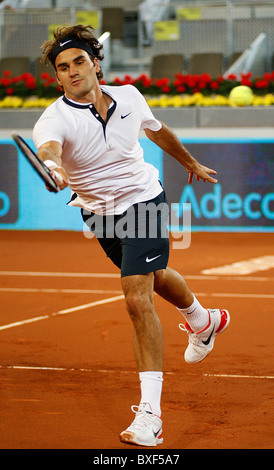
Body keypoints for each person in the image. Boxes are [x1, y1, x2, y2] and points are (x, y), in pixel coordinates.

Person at [33, 24, 230, 447]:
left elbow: (156, 130)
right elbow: (49, 149)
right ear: (57, 77)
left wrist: (189, 162)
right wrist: (54, 167)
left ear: (96, 63)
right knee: (155, 277)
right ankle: (204, 320)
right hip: (99, 213)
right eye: (63, 68)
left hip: (143, 199)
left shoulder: (129, 97)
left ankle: (151, 417)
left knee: (136, 295)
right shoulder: (55, 117)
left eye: (79, 62)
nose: (72, 72)